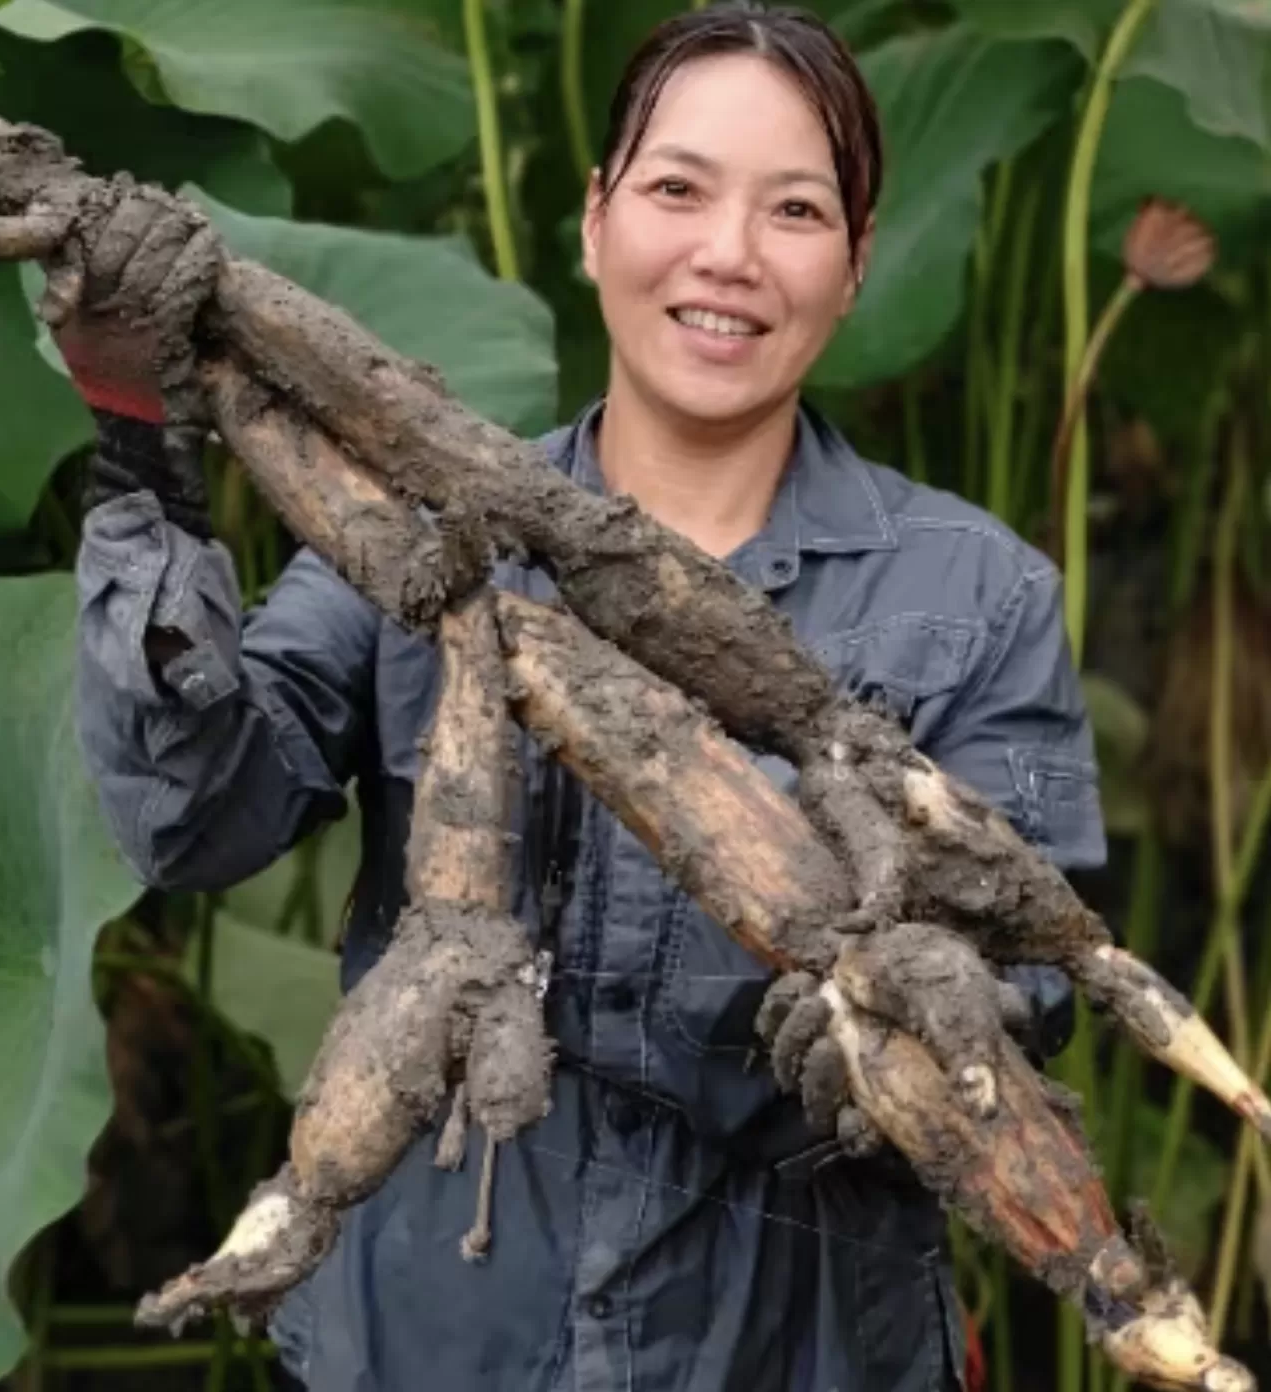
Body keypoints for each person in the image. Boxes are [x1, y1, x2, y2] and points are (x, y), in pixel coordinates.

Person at [68, 5, 1104, 1390]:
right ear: (595, 221)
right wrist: (141, 456)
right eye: (678, 189)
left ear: (856, 264)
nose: (727, 255)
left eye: (795, 210)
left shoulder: (979, 598)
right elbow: (194, 818)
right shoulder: (421, 534)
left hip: (797, 1349)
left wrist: (916, 1015)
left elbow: (1037, 974)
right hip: (431, 1338)